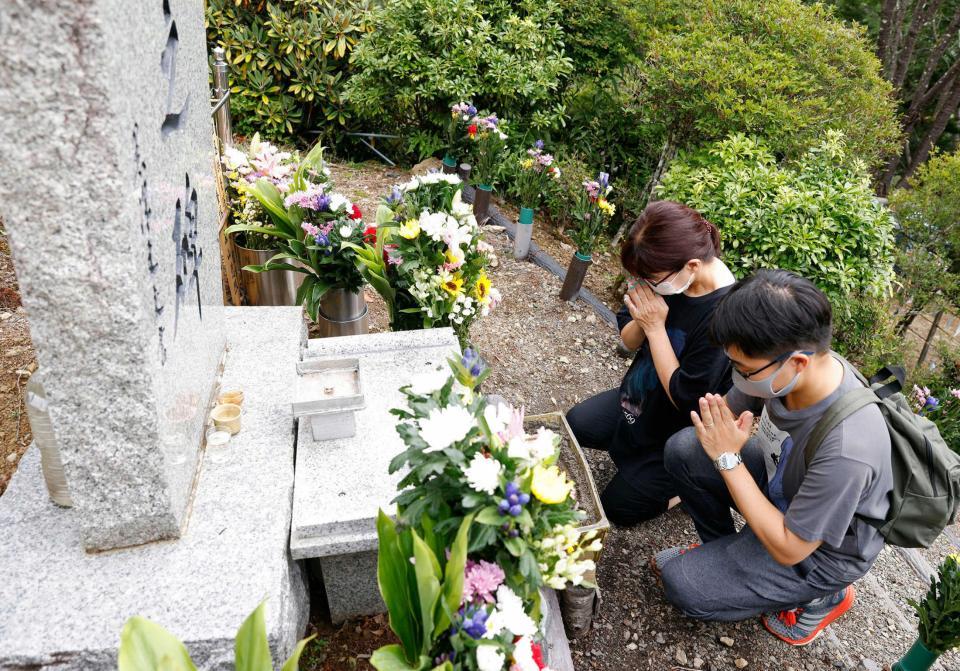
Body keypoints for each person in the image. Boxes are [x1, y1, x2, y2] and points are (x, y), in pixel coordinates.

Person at [653, 269, 893, 646]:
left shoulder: (849, 447)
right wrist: (717, 429)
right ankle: (725, 554)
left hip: (817, 552)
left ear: (798, 362)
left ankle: (822, 597)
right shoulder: (783, 365)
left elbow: (791, 546)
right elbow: (725, 415)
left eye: (744, 370)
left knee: (682, 585)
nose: (737, 377)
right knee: (686, 449)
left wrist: (728, 458)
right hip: (782, 487)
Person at [565, 200, 736, 526]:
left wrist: (656, 328)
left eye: (652, 279)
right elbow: (627, 339)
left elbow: (686, 398)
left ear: (692, 265)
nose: (647, 284)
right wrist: (644, 322)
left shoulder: (724, 318)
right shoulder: (666, 271)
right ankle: (633, 456)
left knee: (617, 509)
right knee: (574, 425)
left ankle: (686, 485)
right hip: (638, 398)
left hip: (674, 430)